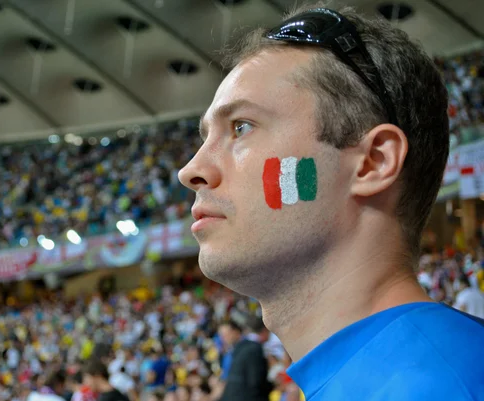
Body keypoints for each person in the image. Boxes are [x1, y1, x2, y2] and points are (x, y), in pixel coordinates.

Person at [178, 2, 484, 400]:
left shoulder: (437, 387)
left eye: (242, 127)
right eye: (206, 137)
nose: (191, 170)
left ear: (373, 163)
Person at [212, 321, 270, 401]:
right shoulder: (229, 352)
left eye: (226, 334)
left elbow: (255, 382)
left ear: (236, 331)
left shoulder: (251, 348)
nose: (223, 338)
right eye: (221, 336)